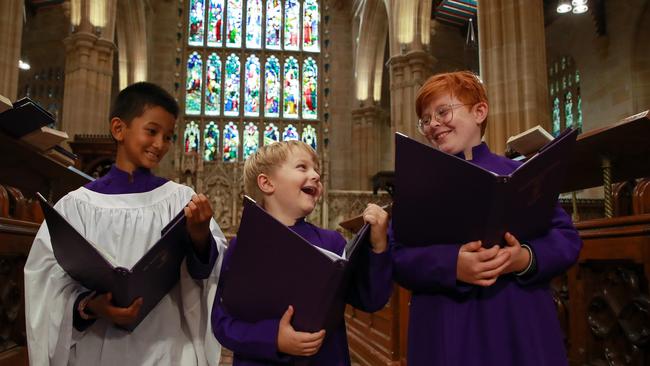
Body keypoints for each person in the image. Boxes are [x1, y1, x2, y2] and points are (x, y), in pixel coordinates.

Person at [24, 82, 227, 366]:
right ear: (119, 129)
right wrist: (89, 305)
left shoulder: (180, 200)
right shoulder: (76, 206)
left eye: (168, 137)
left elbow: (209, 273)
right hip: (95, 348)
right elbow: (45, 280)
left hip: (166, 348)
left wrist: (200, 237)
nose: (160, 144)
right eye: (152, 131)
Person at [391, 71, 582, 365]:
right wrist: (451, 264)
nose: (433, 125)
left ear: (480, 111)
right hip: (445, 326)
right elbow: (398, 257)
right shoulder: (419, 186)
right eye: (426, 120)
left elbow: (565, 238)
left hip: (516, 320)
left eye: (442, 111)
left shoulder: (517, 173)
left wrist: (525, 259)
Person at [212, 140, 392, 365]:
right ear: (267, 183)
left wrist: (379, 246)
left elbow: (371, 299)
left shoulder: (332, 242)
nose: (316, 175)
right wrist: (273, 338)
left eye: (317, 169)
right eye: (302, 167)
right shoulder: (243, 247)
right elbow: (223, 322)